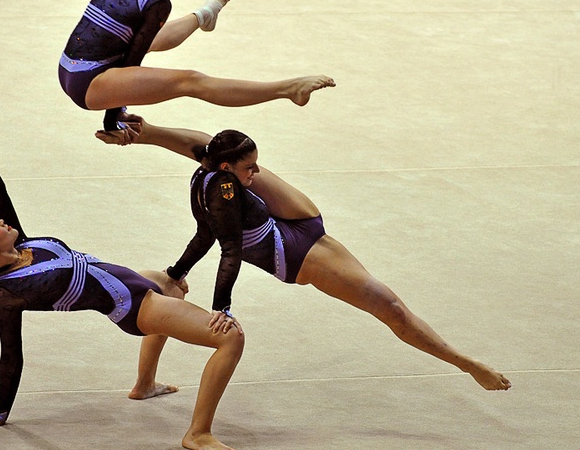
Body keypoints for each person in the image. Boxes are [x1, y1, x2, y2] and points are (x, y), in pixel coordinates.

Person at [0, 95, 245, 450]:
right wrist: (1, 411)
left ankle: (144, 385)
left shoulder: (22, 244)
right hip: (134, 306)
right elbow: (11, 354)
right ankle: (198, 433)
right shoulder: (8, 294)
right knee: (231, 338)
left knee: (173, 286)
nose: (1, 221)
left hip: (137, 282)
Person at [126, 120, 512, 392]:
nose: (256, 171)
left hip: (290, 220)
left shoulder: (212, 172)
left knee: (218, 146)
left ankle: (143, 130)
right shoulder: (222, 195)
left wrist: (176, 271)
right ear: (227, 171)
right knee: (391, 307)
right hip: (301, 254)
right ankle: (466, 363)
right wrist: (220, 308)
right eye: (249, 168)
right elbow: (228, 249)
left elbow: (207, 218)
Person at [58, 0, 336, 143]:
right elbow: (132, 62)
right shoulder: (156, 0)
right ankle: (288, 89)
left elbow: (136, 44)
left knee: (143, 39)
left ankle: (205, 14)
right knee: (190, 81)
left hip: (68, 70)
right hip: (90, 83)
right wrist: (113, 118)